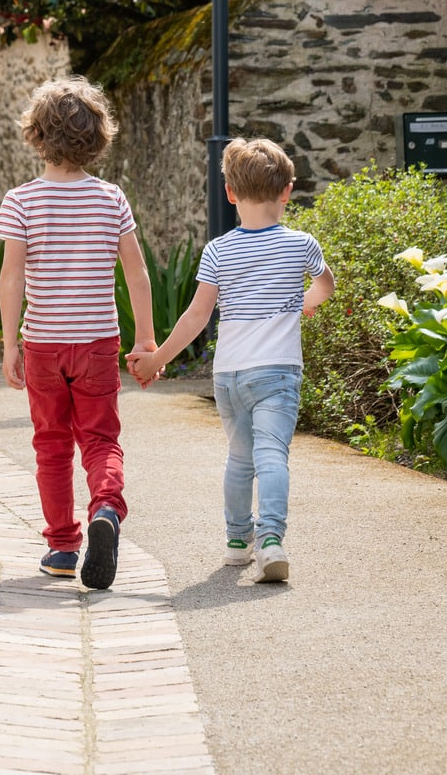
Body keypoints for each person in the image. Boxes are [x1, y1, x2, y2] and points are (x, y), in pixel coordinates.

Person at [128, 137, 334, 583]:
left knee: (240, 458)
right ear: (287, 191)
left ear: (230, 193)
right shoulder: (302, 244)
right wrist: (305, 302)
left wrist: (156, 359)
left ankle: (237, 542)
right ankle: (272, 540)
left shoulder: (219, 251)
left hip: (229, 375)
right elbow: (326, 285)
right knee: (272, 455)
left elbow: (196, 316)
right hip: (277, 371)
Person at [0, 76, 155, 590]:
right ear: (97, 137)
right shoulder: (111, 199)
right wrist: (146, 340)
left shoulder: (21, 201)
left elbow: (12, 277)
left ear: (37, 136)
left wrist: (9, 344)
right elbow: (137, 273)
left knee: (51, 445)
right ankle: (106, 508)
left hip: (43, 342)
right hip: (97, 343)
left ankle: (63, 546)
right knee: (101, 439)